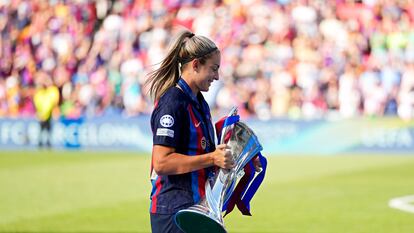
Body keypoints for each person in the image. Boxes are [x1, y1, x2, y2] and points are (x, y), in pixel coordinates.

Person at [145, 29, 235, 233]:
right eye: (213, 69)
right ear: (195, 65)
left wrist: (234, 157)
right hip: (174, 211)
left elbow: (204, 153)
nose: (217, 76)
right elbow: (161, 162)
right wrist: (213, 158)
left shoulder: (199, 103)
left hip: (197, 208)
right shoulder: (172, 103)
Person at [33, 72, 60, 148]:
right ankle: (41, 142)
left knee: (47, 128)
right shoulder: (40, 93)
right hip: (42, 114)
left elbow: (53, 102)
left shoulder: (50, 91)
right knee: (42, 129)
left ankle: (47, 142)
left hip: (47, 114)